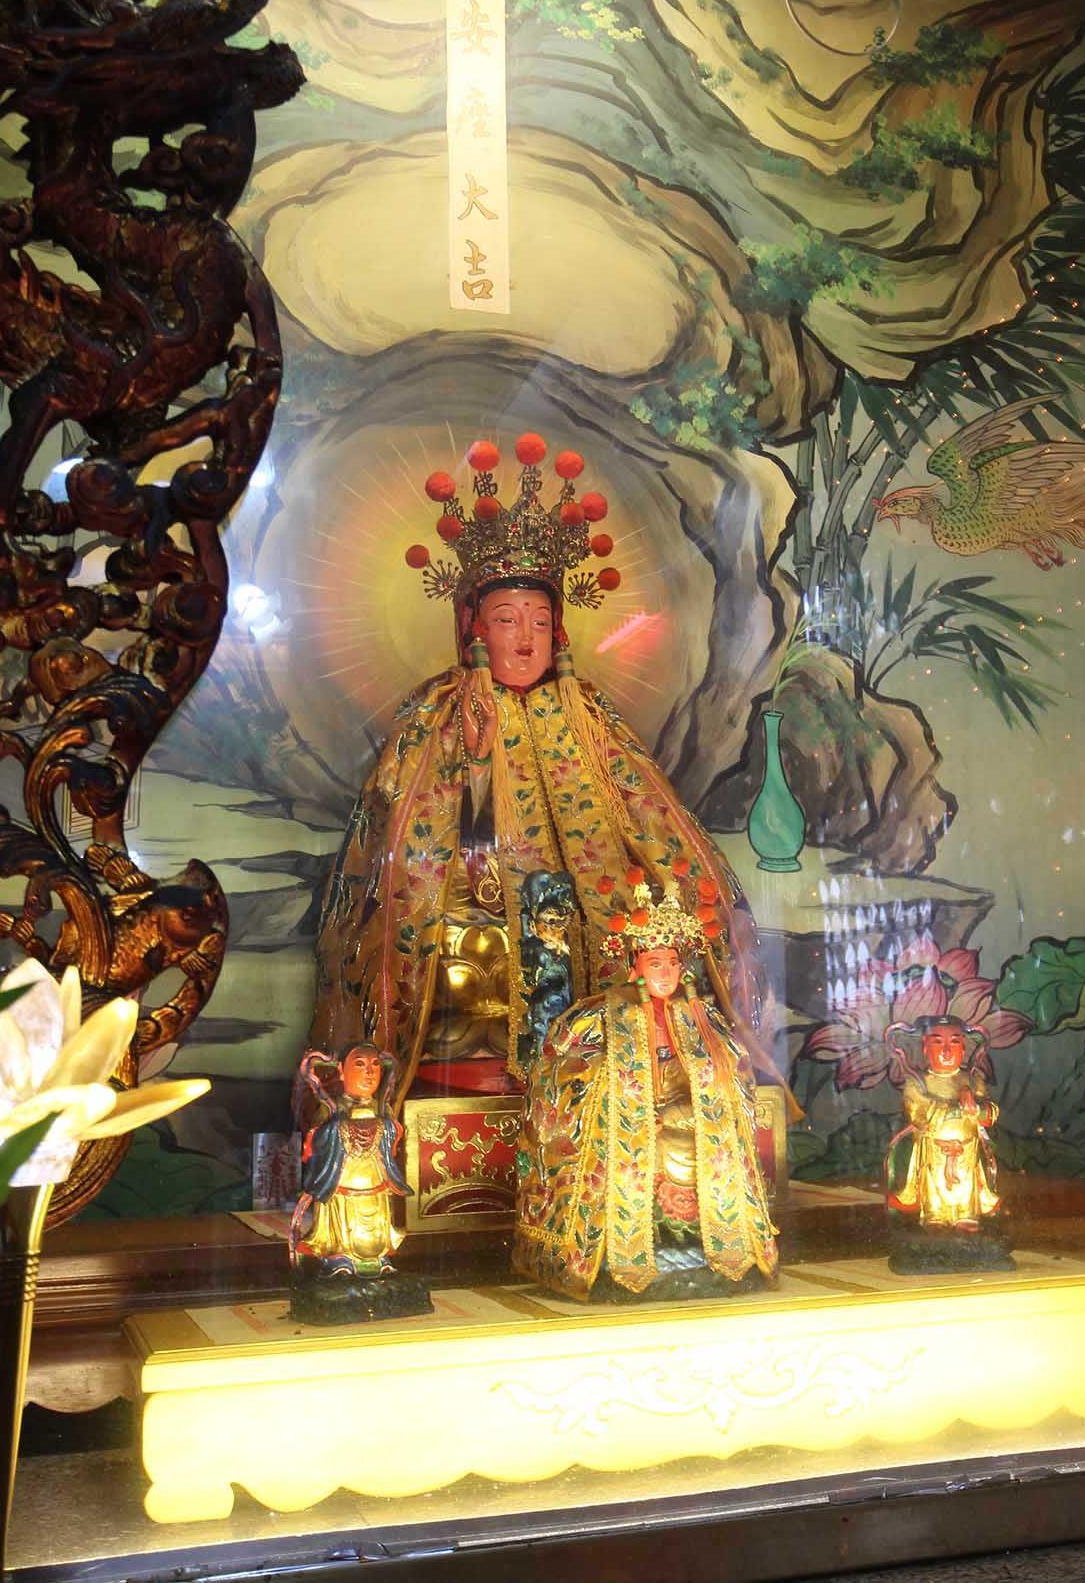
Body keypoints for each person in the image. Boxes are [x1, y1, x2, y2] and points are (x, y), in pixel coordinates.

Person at [310, 433, 791, 1117]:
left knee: (622, 946)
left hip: (585, 911)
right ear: (474, 628)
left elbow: (648, 817)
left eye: (540, 621)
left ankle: (610, 1048)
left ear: (559, 631)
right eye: (506, 620)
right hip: (478, 913)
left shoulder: (587, 712)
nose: (525, 637)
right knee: (465, 959)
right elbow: (403, 846)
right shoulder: (441, 713)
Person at [513, 876, 779, 1301]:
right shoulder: (598, 1016)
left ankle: (703, 1246)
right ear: (634, 965)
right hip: (623, 1123)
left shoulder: (701, 1017)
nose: (667, 973)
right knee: (646, 1152)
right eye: (656, 963)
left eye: (673, 963)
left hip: (686, 1117)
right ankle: (623, 1252)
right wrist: (620, 1094)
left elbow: (733, 1072)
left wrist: (686, 1107)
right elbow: (559, 1070)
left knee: (695, 1147)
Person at [289, 1042, 412, 1275]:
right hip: (342, 1186)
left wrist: (383, 1127)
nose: (369, 1073)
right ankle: (339, 1255)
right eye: (360, 1065)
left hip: (375, 1180)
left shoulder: (382, 1109)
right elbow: (316, 1142)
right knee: (341, 1220)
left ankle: (378, 1254)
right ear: (341, 1071)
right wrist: (339, 1129)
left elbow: (394, 1136)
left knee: (377, 1219)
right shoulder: (331, 1109)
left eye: (375, 1066)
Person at [884, 1015, 1002, 1231]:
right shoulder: (917, 1083)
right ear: (925, 1047)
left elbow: (991, 1113)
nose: (946, 1051)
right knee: (932, 1179)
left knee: (967, 1179)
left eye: (954, 1043)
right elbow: (918, 1115)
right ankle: (933, 1214)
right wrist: (954, 1106)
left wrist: (976, 1106)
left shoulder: (972, 1080)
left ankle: (967, 1214)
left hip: (967, 1148)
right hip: (933, 1149)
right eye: (938, 1043)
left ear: (963, 1048)